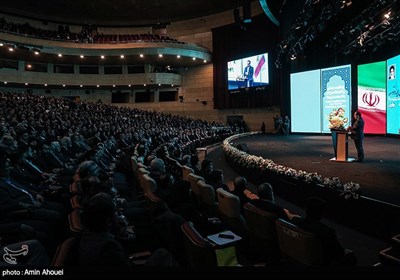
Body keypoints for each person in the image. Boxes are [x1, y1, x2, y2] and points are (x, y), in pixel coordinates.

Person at [291, 197, 357, 266]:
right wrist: (346, 252)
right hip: (320, 262)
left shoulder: (295, 221)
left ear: (305, 209)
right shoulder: (327, 231)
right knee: (351, 258)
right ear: (322, 213)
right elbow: (338, 254)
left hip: (300, 256)